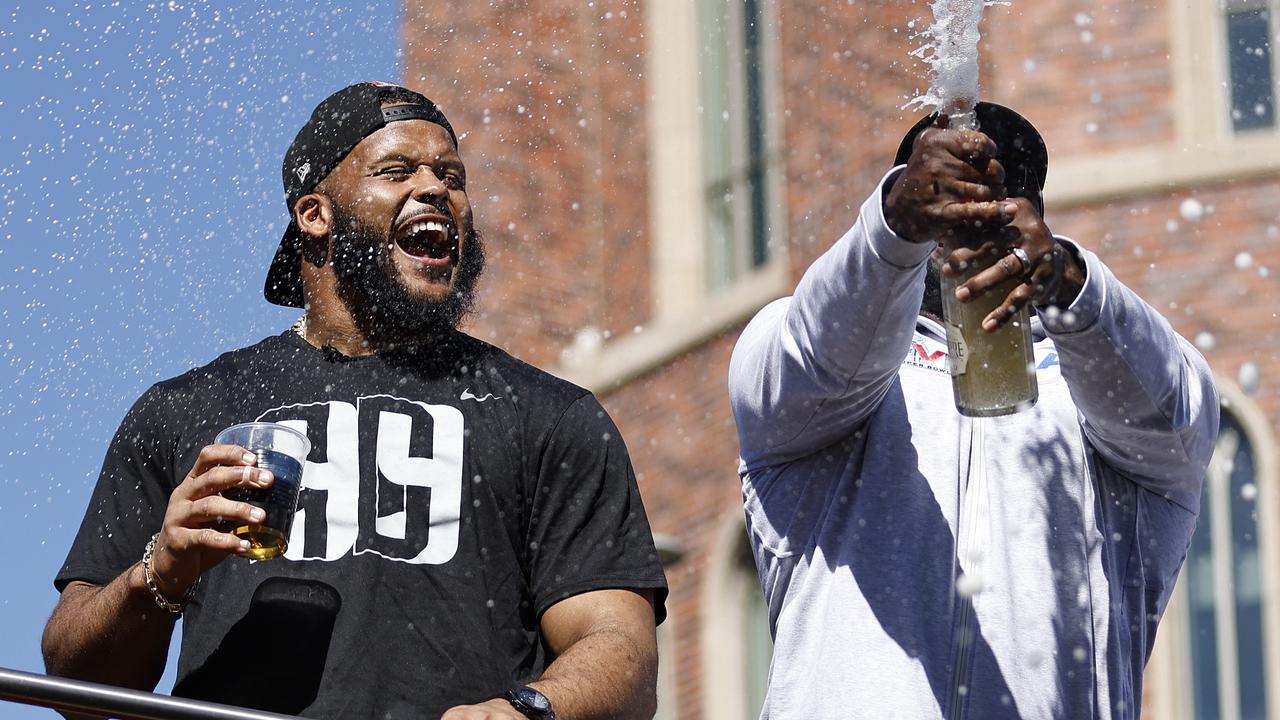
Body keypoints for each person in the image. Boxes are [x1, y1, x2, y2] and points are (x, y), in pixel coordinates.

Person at [43, 81, 668, 720]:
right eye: (395, 170)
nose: (435, 189)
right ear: (315, 214)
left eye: (450, 175)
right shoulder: (186, 411)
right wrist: (163, 570)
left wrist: (527, 710)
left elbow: (620, 649)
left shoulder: (548, 416)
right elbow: (75, 681)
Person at [727, 103, 1219, 719]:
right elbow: (817, 363)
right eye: (943, 202)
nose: (971, 231)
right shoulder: (800, 343)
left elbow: (1173, 421)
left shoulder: (1098, 370)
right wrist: (889, 233)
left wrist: (1069, 286)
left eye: (1001, 207)